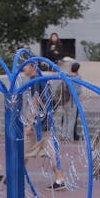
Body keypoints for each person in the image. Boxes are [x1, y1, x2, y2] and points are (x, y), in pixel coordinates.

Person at [20, 61, 68, 190]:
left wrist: (29, 124)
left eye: (25, 65)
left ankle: (14, 178)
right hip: (44, 123)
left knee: (23, 150)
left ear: (32, 66)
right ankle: (59, 179)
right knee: (49, 152)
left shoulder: (35, 81)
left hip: (38, 126)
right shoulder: (42, 81)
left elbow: (34, 102)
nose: (23, 68)